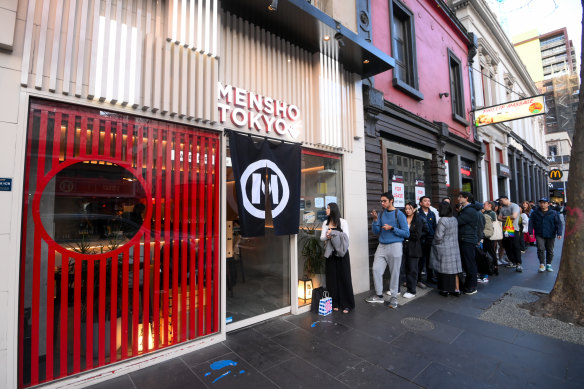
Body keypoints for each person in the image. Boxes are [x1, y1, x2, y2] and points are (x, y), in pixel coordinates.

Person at [367, 192, 410, 309]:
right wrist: (375, 220)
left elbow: (406, 233)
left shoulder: (399, 214)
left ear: (391, 201)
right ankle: (379, 296)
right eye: (381, 201)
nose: (382, 203)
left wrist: (392, 228)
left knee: (395, 273)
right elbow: (376, 232)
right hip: (382, 245)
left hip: (395, 245)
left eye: (384, 201)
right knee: (376, 269)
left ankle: (394, 297)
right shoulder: (381, 214)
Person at [321, 203, 355, 313]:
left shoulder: (343, 222)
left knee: (344, 277)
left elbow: (346, 237)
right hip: (330, 254)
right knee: (332, 279)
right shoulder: (325, 223)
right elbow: (321, 237)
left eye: (328, 208)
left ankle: (347, 304)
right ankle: (334, 303)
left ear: (333, 210)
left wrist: (333, 233)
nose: (326, 210)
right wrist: (327, 235)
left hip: (342, 254)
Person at [430, 202, 462, 296]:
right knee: (455, 270)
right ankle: (457, 289)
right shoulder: (454, 219)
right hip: (454, 247)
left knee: (444, 270)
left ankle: (445, 290)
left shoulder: (442, 220)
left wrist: (435, 243)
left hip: (444, 247)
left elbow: (438, 236)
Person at [528, 197, 563, 273]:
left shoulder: (553, 213)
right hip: (539, 233)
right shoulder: (535, 213)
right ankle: (542, 264)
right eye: (541, 203)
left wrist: (559, 233)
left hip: (551, 233)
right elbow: (531, 223)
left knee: (550, 250)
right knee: (540, 248)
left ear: (548, 204)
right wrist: (530, 232)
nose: (542, 204)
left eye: (544, 203)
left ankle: (549, 264)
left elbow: (559, 223)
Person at [456, 192, 480, 295]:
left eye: (460, 197)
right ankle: (469, 284)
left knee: (469, 263)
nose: (458, 199)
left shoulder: (469, 210)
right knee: (468, 262)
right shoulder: (466, 209)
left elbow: (458, 221)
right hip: (465, 238)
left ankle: (472, 286)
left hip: (467, 239)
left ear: (466, 198)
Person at [401, 202, 424, 299]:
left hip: (414, 247)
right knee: (404, 268)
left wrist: (405, 234)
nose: (407, 210)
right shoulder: (402, 218)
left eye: (409, 208)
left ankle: (412, 290)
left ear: (414, 209)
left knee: (412, 269)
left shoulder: (418, 219)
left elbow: (418, 235)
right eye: (406, 208)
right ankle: (405, 286)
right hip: (403, 246)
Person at [498, 195, 523, 272]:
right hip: (506, 230)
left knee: (515, 246)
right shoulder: (502, 208)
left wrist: (504, 217)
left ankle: (518, 263)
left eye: (501, 200)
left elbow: (514, 216)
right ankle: (513, 261)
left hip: (514, 229)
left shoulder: (514, 206)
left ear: (506, 199)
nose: (500, 202)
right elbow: (499, 218)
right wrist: (508, 218)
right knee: (507, 246)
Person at [417, 196, 437, 288]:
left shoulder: (432, 214)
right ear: (420, 203)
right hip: (421, 240)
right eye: (425, 201)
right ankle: (419, 279)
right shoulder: (418, 214)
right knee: (421, 260)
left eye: (429, 201)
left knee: (430, 259)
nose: (428, 202)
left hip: (430, 239)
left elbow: (434, 227)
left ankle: (430, 277)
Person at [482, 201, 498, 276]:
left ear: (489, 205)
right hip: (487, 235)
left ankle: (494, 267)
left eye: (484, 204)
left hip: (490, 235)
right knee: (488, 251)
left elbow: (492, 221)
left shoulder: (491, 213)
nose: (483, 205)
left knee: (491, 251)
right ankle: (491, 267)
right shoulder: (486, 212)